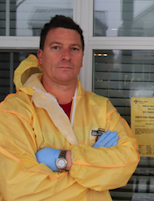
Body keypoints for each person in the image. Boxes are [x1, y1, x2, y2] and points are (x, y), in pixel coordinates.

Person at [0, 15, 140, 201]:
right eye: (56, 47)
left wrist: (65, 160)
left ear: (82, 58)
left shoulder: (101, 108)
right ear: (41, 56)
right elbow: (19, 188)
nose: (66, 55)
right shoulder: (14, 110)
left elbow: (127, 162)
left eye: (74, 49)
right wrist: (94, 176)